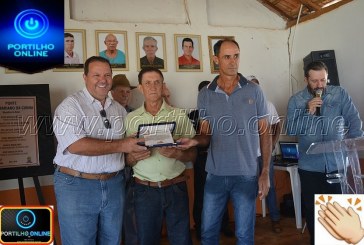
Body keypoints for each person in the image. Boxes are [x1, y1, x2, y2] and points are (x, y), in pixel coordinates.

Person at [177, 39, 271, 245]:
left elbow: (265, 133)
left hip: (246, 174)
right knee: (208, 233)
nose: (233, 61)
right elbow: (205, 135)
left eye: (236, 56)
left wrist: (264, 171)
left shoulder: (254, 91)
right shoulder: (205, 94)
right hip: (215, 175)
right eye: (227, 57)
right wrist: (193, 142)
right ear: (215, 59)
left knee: (245, 236)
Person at [53, 56, 146, 245]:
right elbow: (76, 145)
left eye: (107, 75)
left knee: (112, 241)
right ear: (85, 77)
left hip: (114, 185)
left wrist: (135, 155)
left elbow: (124, 154)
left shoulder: (119, 110)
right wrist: (123, 145)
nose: (103, 80)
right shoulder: (71, 106)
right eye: (96, 75)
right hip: (77, 185)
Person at [286, 61, 363, 245]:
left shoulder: (340, 93)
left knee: (339, 214)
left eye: (323, 80)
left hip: (337, 164)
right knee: (316, 215)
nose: (320, 85)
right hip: (310, 168)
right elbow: (290, 129)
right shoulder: (296, 100)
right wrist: (308, 111)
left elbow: (354, 120)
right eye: (314, 81)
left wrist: (354, 144)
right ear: (306, 79)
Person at [125, 67, 196, 245]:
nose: (153, 87)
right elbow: (125, 159)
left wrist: (179, 154)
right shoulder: (130, 119)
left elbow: (194, 154)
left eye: (157, 82)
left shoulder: (179, 115)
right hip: (144, 190)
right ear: (140, 88)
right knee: (146, 240)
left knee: (182, 240)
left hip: (176, 187)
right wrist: (134, 158)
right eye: (147, 83)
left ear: (163, 86)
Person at [188, 80, 234, 240]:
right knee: (201, 194)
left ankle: (224, 225)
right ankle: (200, 227)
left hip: (222, 159)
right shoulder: (193, 115)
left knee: (223, 193)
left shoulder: (223, 113)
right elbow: (191, 137)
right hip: (202, 160)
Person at [247, 75, 282, 233]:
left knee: (270, 187)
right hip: (247, 156)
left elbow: (277, 125)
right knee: (247, 188)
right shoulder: (242, 107)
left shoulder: (268, 105)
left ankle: (275, 219)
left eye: (256, 86)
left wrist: (273, 143)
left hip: (265, 155)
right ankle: (248, 222)